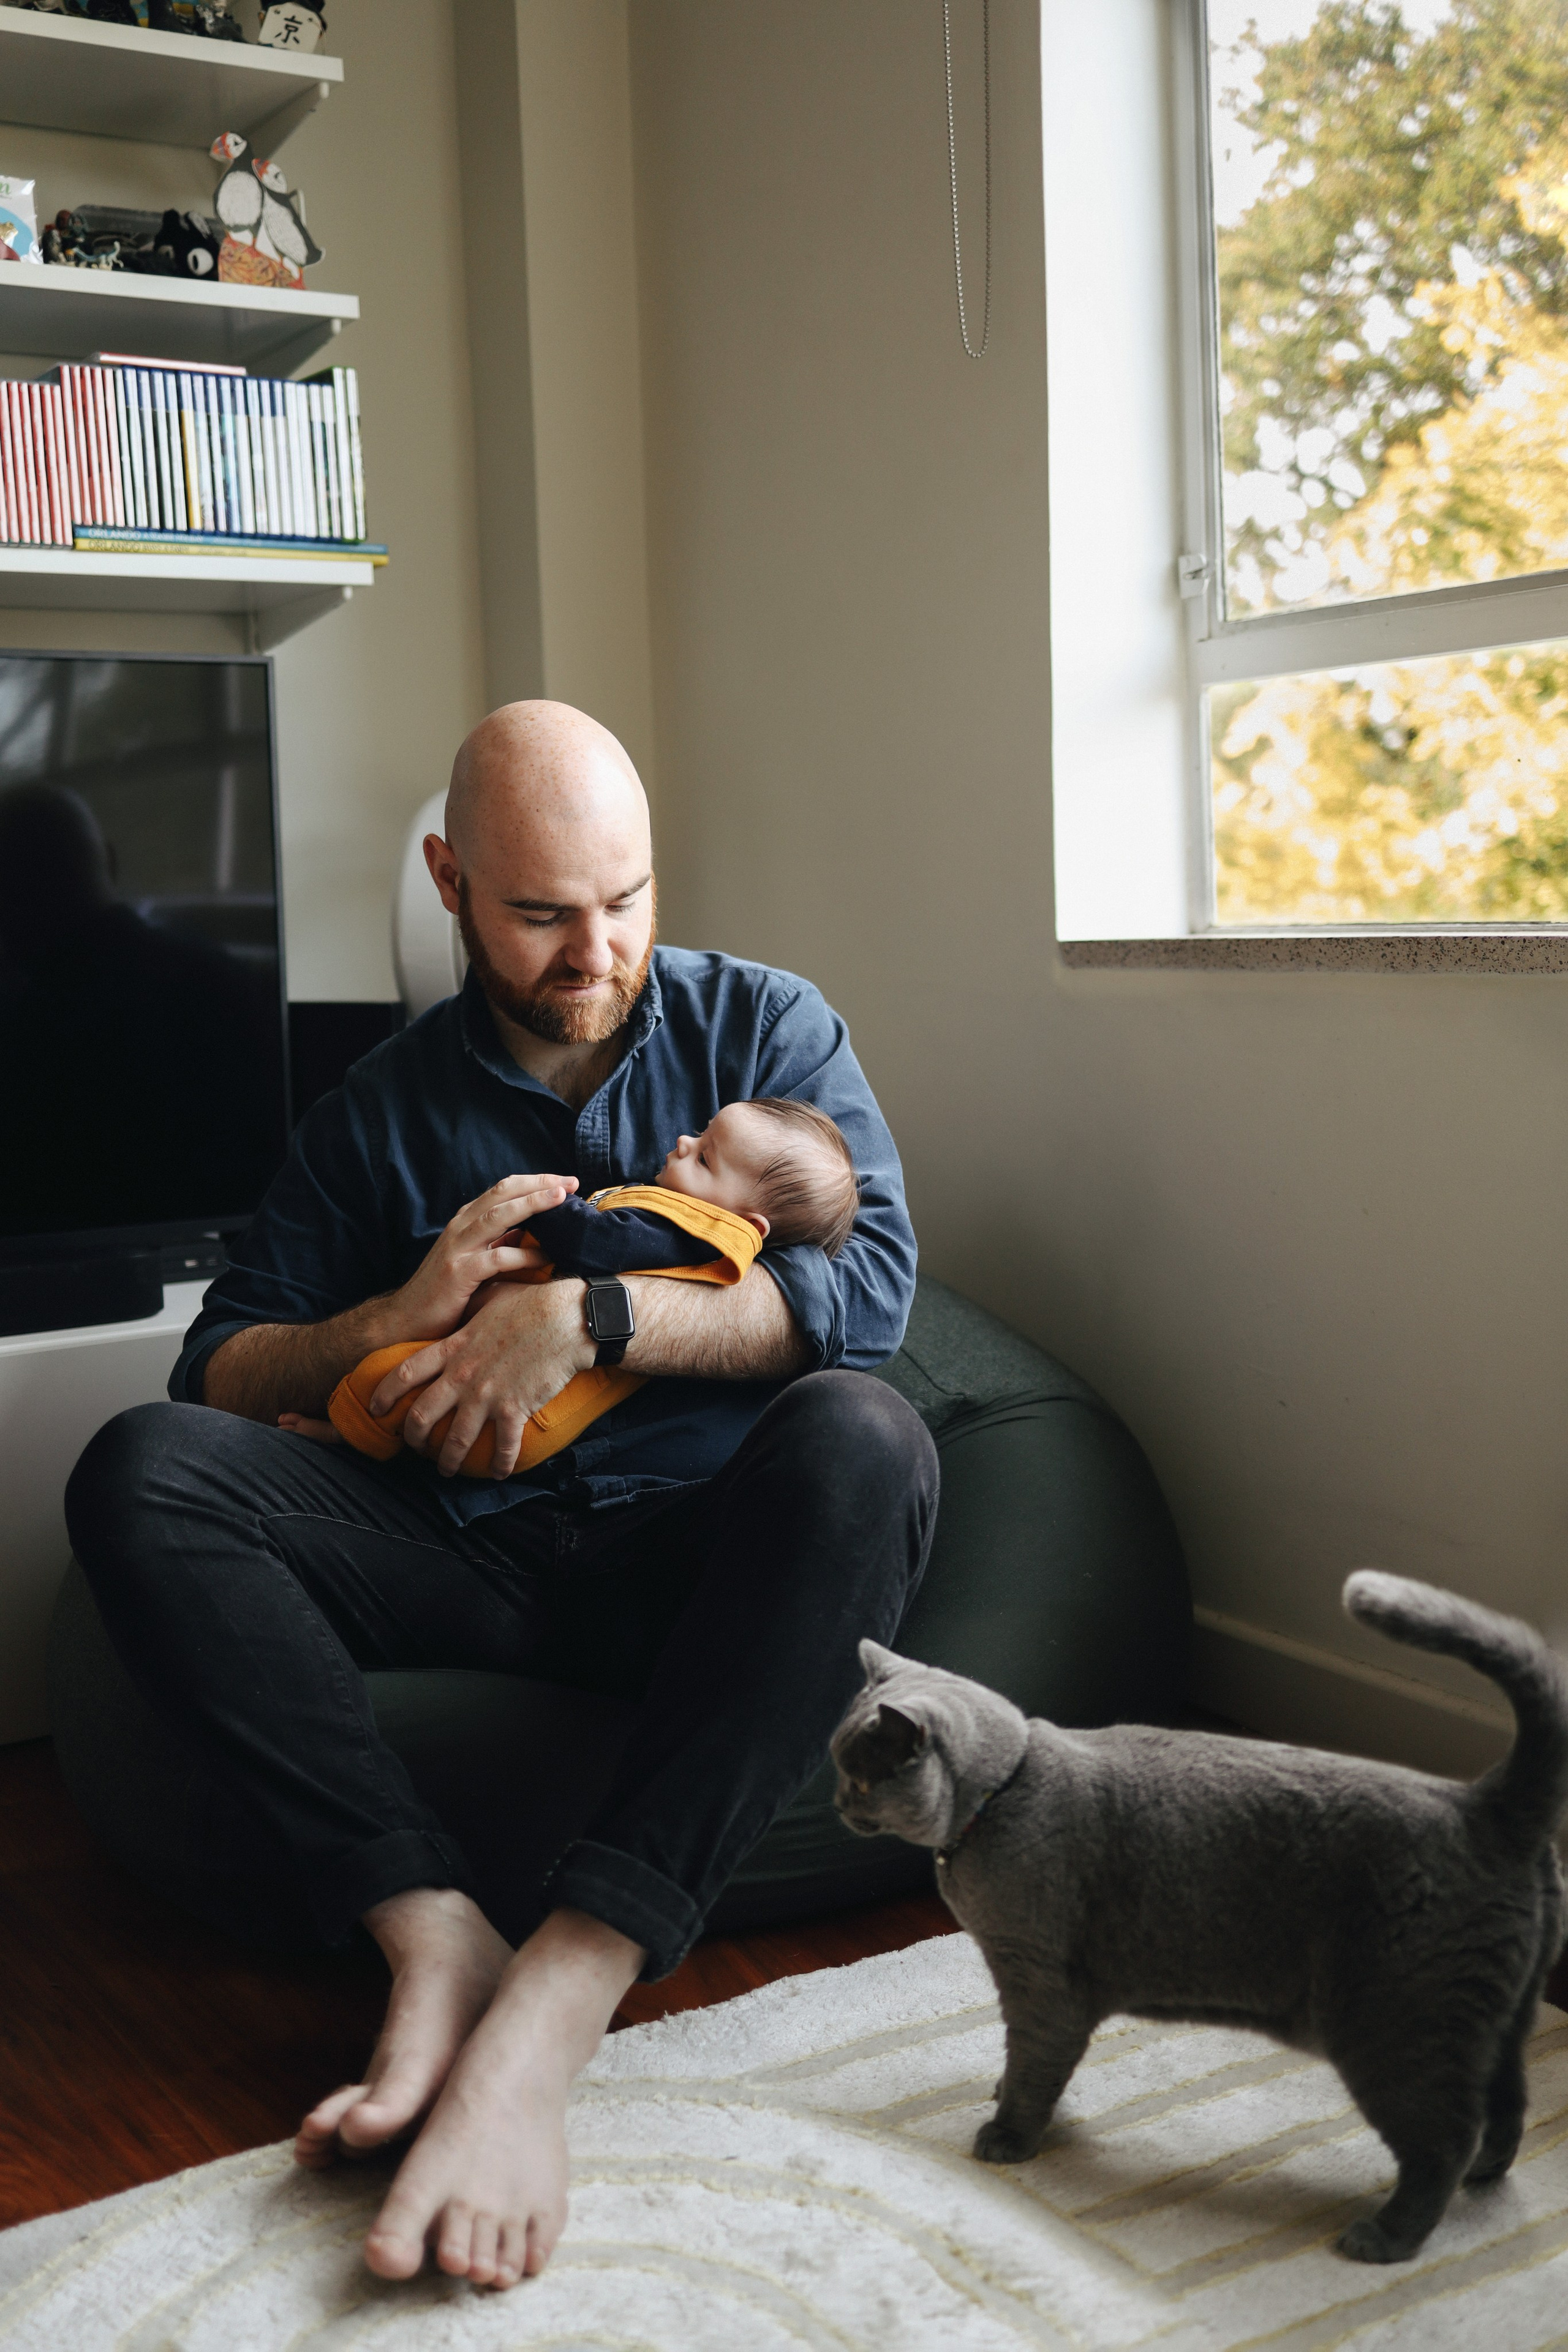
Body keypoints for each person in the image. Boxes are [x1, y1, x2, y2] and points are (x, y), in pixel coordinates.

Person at [64, 699, 937, 2295]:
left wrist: (588, 1319)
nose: (595, 952)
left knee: (869, 1439)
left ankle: (560, 1997)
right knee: (139, 1470)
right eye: (542, 913)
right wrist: (390, 1320)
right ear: (450, 882)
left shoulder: (765, 1029)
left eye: (627, 900)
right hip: (456, 1552)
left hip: (691, 1561)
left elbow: (870, 1294)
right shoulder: (375, 1109)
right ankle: (429, 1931)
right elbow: (216, 1370)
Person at [311, 1096, 861, 1476]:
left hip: (525, 1413)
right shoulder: (685, 1222)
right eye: (702, 1132)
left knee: (385, 1376)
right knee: (415, 1386)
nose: (683, 1141)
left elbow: (598, 1244)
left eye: (705, 1156)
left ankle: (345, 1438)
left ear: (748, 1222)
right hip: (512, 1393)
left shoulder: (696, 1233)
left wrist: (548, 1205)